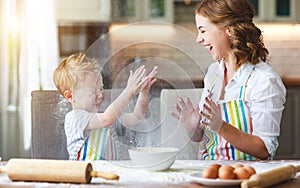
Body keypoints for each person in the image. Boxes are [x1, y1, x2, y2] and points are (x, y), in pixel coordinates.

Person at [170, 0, 286, 160]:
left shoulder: (263, 80)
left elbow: (264, 149)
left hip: (246, 177)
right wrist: (193, 128)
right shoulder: (213, 73)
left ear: (229, 30)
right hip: (209, 173)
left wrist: (222, 127)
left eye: (203, 31)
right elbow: (205, 137)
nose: (198, 39)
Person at [53, 52, 157, 160]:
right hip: (85, 174)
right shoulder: (75, 118)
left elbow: (137, 117)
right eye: (93, 90)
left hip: (107, 173)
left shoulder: (104, 116)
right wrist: (129, 91)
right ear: (70, 96)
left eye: (101, 88)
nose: (100, 94)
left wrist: (144, 92)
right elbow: (107, 119)